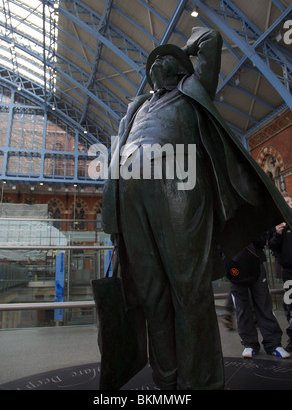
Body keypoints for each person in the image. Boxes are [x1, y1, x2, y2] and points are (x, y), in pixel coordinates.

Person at [101, 27, 292, 390]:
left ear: (181, 69)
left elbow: (211, 39)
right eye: (154, 59)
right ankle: (167, 379)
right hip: (130, 195)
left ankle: (201, 383)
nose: (158, 60)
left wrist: (184, 48)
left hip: (179, 187)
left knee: (188, 288)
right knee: (152, 293)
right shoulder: (136, 107)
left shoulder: (192, 91)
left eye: (167, 57)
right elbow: (113, 157)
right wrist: (113, 216)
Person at [227, 237, 289, 358]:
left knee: (264, 303)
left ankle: (273, 343)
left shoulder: (250, 220)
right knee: (242, 306)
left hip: (254, 261)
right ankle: (249, 343)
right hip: (233, 264)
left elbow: (261, 239)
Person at [268, 192, 292, 352]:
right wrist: (277, 234)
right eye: (285, 203)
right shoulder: (279, 225)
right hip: (289, 271)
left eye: (290, 202)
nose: (288, 205)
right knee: (290, 306)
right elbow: (272, 246)